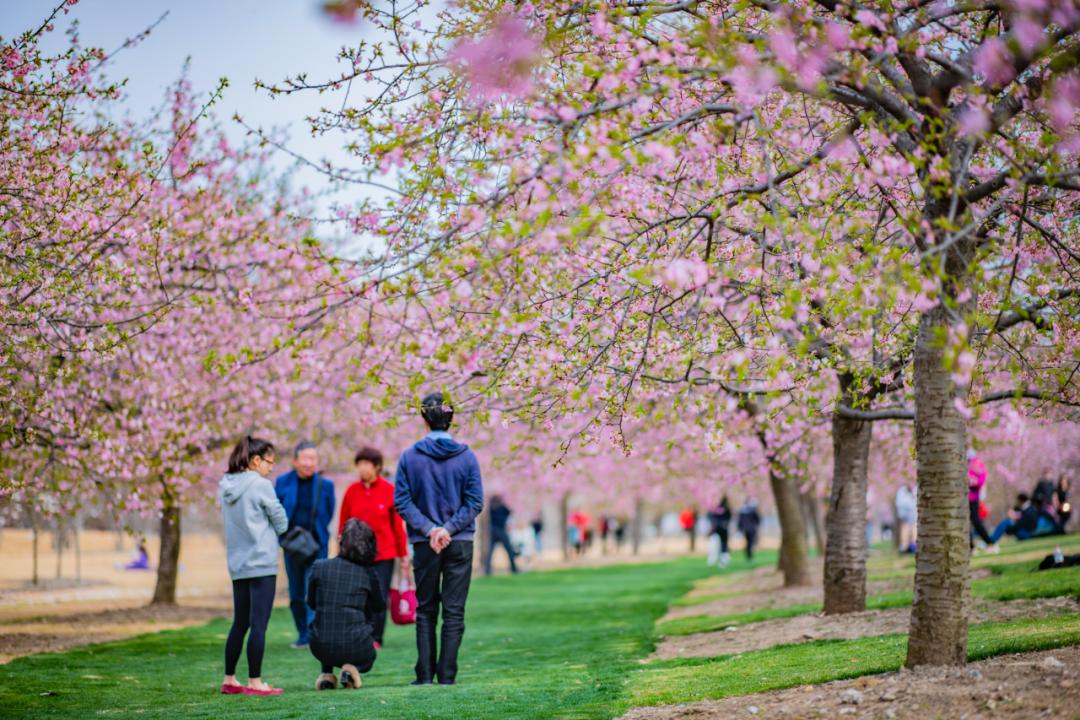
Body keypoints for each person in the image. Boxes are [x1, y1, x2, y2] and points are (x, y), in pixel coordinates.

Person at [394, 392, 484, 686]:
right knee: (454, 610)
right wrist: (447, 528)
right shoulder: (467, 457)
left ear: (423, 419)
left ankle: (424, 676)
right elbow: (474, 502)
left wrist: (431, 529)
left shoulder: (409, 457)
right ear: (452, 418)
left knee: (426, 608)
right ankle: (447, 676)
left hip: (424, 542)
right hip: (459, 541)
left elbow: (402, 502)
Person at [219, 436, 288, 696]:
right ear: (256, 460)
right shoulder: (261, 485)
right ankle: (256, 682)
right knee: (259, 624)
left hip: (237, 564)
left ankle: (229, 679)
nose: (271, 468)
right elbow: (281, 522)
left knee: (240, 623)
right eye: (269, 462)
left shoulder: (225, 485)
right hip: (261, 562)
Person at [337, 446, 410, 649]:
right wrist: (341, 549)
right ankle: (362, 633)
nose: (362, 468)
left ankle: (376, 637)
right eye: (359, 464)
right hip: (355, 555)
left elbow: (397, 526)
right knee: (360, 596)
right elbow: (343, 521)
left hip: (384, 553)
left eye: (366, 464)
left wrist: (403, 555)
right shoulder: (352, 491)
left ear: (377, 466)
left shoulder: (389, 491)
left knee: (379, 596)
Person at [308, 518, 386, 690]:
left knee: (328, 623)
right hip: (356, 645)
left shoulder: (319, 567)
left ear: (340, 540)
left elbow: (311, 603)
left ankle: (326, 675)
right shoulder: (368, 573)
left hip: (319, 645)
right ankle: (351, 669)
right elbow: (379, 606)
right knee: (368, 658)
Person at [275, 441, 336, 649]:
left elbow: (328, 513)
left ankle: (313, 634)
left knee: (315, 591)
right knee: (296, 593)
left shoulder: (325, 485)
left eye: (313, 459)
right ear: (295, 460)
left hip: (316, 545)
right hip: (291, 546)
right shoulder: (283, 482)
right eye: (305, 458)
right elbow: (277, 512)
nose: (309, 463)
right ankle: (302, 633)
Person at [988, 492, 1058, 543]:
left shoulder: (1029, 510)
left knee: (1006, 522)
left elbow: (1020, 525)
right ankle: (991, 539)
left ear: (1021, 501)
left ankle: (991, 540)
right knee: (1007, 522)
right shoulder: (1029, 509)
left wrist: (1009, 530)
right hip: (1027, 532)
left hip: (1028, 534)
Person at [967, 450, 996, 551]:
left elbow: (981, 480)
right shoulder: (960, 462)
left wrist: (970, 481)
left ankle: (990, 543)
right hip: (962, 498)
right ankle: (970, 547)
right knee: (964, 522)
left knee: (976, 521)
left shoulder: (977, 464)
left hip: (972, 498)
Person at [485, 495, 519, 575]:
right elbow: (509, 511)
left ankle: (487, 570)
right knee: (509, 550)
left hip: (493, 530)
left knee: (490, 551)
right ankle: (514, 568)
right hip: (501, 531)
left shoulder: (491, 508)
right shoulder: (502, 507)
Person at [706, 496, 732, 568]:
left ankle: (721, 561)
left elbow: (728, 517)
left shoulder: (723, 509)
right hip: (718, 530)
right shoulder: (715, 509)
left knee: (720, 545)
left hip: (720, 530)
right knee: (717, 545)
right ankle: (716, 560)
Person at [895, 483, 917, 554]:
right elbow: (900, 503)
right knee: (906, 529)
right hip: (905, 514)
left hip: (913, 513)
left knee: (914, 528)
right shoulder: (902, 491)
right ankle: (905, 546)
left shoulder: (915, 488)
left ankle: (913, 546)